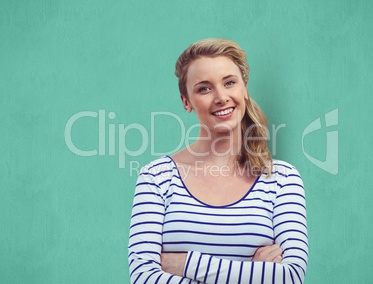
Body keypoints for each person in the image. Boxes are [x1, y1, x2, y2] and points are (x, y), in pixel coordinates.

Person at [128, 38, 308, 283]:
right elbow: (143, 279)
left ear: (244, 89)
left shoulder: (282, 179)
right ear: (186, 101)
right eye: (204, 88)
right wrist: (254, 275)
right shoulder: (156, 177)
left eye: (230, 83)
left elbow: (291, 277)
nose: (221, 97)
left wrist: (184, 263)